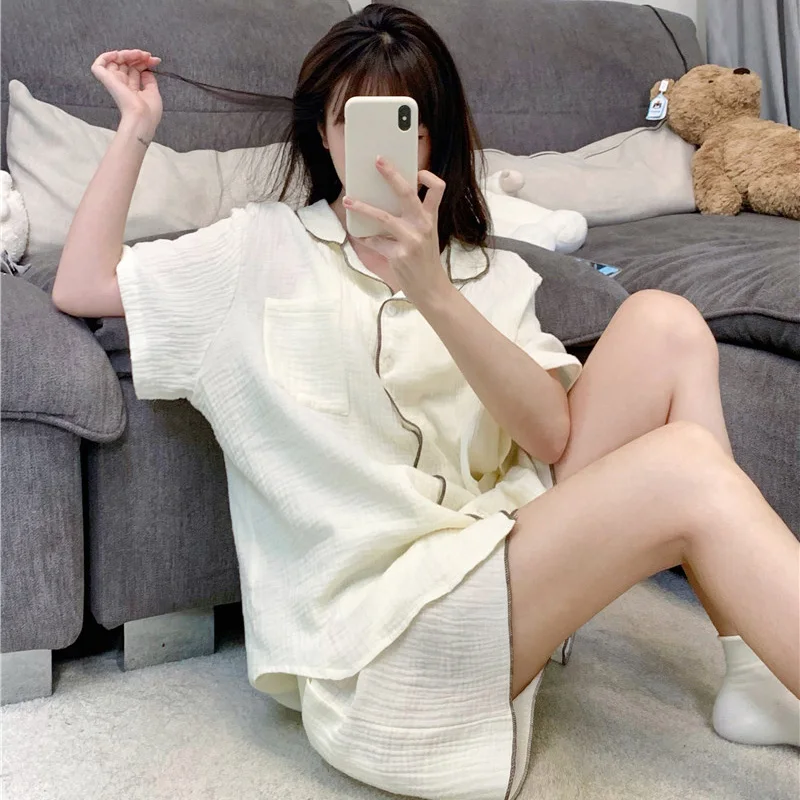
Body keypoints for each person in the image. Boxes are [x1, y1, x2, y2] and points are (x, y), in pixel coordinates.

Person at [52, 5, 798, 800]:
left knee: (667, 323)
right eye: (355, 120)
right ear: (324, 133)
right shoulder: (256, 248)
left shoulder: (486, 272)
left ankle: (754, 674)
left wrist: (434, 291)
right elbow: (82, 284)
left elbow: (551, 437)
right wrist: (135, 129)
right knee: (687, 470)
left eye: (404, 121)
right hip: (385, 640)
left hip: (494, 561)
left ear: (433, 136)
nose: (380, 148)